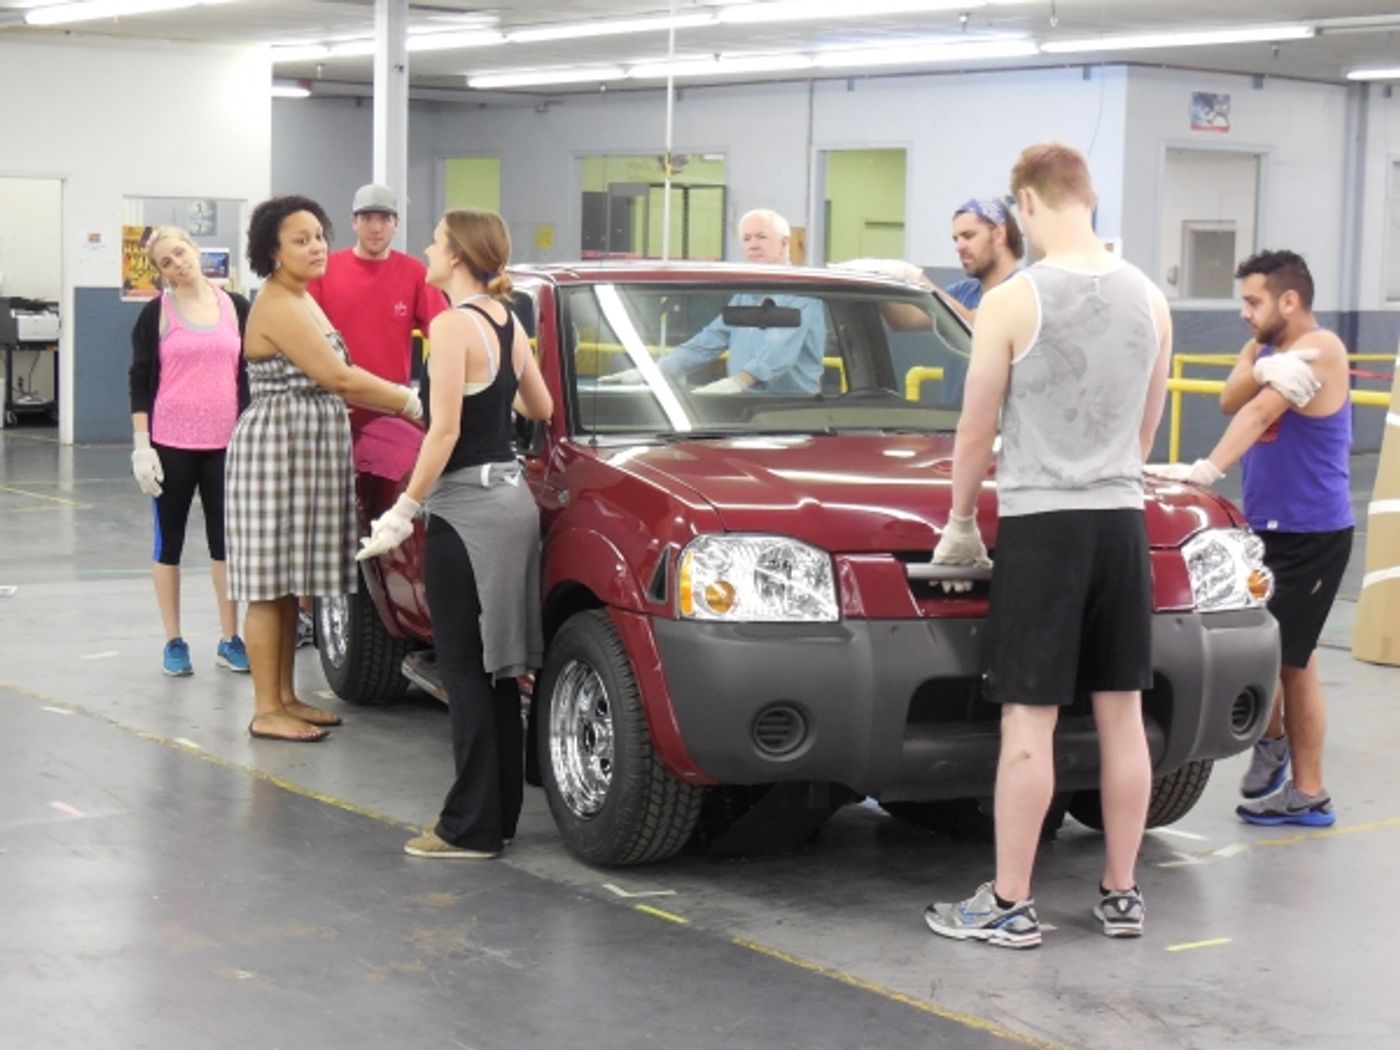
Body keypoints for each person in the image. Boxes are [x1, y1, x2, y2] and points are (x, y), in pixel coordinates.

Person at [924, 143, 1173, 949]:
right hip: (1121, 522)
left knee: (1027, 723)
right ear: (1088, 197)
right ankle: (1122, 891)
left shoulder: (1013, 300)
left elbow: (974, 432)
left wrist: (961, 522)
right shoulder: (1151, 298)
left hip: (1042, 525)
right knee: (1122, 715)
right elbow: (1147, 423)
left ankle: (1009, 899)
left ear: (1024, 206)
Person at [356, 208, 552, 857]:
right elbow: (540, 406)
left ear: (459, 256)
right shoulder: (508, 320)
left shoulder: (447, 325)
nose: (427, 251)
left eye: (436, 242)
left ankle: (466, 829)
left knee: (464, 670)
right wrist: (488, 397)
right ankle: (497, 819)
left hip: (465, 514)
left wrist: (403, 508)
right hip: (512, 504)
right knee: (499, 671)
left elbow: (441, 434)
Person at [1145, 249, 1351, 829]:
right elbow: (1231, 395)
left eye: (1254, 301)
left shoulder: (1324, 349)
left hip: (1313, 531)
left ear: (1290, 301)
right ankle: (1275, 740)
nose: (1244, 312)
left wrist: (1206, 470)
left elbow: (1258, 412)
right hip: (1267, 529)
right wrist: (1258, 364)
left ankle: (1309, 791)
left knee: (1295, 662)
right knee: (1270, 653)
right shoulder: (1266, 351)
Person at [227, 195, 425, 743]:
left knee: (293, 582)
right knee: (269, 584)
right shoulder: (278, 302)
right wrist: (408, 402)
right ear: (272, 250)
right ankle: (267, 709)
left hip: (306, 449)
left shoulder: (301, 297)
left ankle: (286, 696)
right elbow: (339, 377)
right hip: (276, 452)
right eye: (300, 240)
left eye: (318, 235)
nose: (315, 247)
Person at [300, 183, 448, 647]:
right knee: (317, 515)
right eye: (367, 218)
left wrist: (435, 401)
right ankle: (307, 612)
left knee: (384, 512)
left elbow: (445, 335)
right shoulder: (328, 271)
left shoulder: (414, 273)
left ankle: (388, 603)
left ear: (396, 225)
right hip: (329, 413)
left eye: (384, 218)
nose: (376, 226)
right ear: (354, 222)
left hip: (390, 418)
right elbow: (303, 336)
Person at [128, 226, 251, 676]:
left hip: (226, 447)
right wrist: (143, 445)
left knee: (226, 545)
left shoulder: (236, 307)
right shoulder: (156, 315)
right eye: (166, 262)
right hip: (171, 445)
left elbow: (247, 375)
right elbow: (140, 380)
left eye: (180, 252)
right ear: (162, 273)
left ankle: (229, 637)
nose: (177, 263)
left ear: (195, 250)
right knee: (169, 544)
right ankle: (174, 641)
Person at [652, 209, 827, 394]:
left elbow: (778, 349)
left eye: (761, 237)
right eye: (746, 239)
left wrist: (740, 381)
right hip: (744, 407)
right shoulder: (745, 295)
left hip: (790, 412)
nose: (753, 245)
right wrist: (661, 370)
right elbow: (712, 338)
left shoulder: (800, 293)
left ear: (784, 243)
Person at [944, 196, 1023, 319]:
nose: (959, 247)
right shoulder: (962, 292)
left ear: (998, 235)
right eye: (956, 239)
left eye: (968, 236)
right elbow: (913, 316)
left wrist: (918, 277)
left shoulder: (1025, 291)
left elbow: (978, 323)